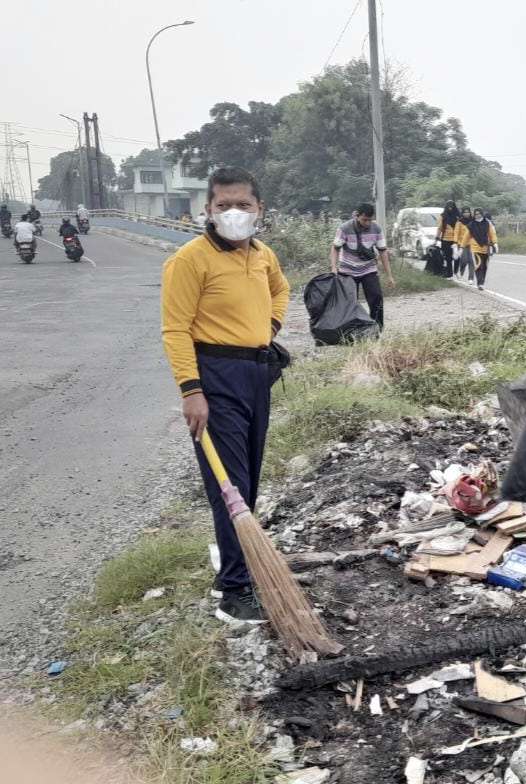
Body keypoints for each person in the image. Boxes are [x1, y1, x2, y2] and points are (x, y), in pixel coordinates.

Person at [160, 166, 290, 624]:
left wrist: (268, 329)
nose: (234, 213)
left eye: (243, 205)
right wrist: (191, 390)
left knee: (248, 479)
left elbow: (280, 291)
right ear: (208, 210)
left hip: (257, 373)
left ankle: (235, 564)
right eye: (224, 206)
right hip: (214, 376)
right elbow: (175, 328)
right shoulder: (190, 260)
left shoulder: (262, 255)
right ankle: (235, 591)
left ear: (259, 210)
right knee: (227, 482)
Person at [330, 203, 395, 330]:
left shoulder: (376, 229)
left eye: (370, 220)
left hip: (368, 269)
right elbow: (335, 248)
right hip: (347, 271)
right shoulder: (344, 228)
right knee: (349, 303)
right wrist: (333, 267)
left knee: (376, 298)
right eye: (364, 219)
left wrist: (389, 276)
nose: (367, 223)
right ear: (356, 216)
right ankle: (349, 331)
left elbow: (383, 251)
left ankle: (377, 330)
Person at [463, 207, 497, 290]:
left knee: (485, 266)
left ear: (482, 214)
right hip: (475, 247)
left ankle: (482, 282)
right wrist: (461, 246)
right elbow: (466, 236)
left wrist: (495, 243)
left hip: (486, 247)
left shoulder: (487, 224)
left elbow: (492, 234)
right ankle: (479, 283)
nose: (477, 216)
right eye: (475, 214)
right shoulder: (471, 225)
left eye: (479, 214)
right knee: (478, 265)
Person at [436, 201, 461, 276]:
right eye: (449, 206)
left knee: (457, 257)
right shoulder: (443, 216)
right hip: (445, 240)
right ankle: (450, 273)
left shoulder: (458, 216)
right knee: (448, 258)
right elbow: (440, 228)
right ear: (446, 207)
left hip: (456, 240)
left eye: (452, 206)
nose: (450, 207)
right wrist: (437, 237)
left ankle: (456, 271)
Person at [455, 204, 475, 280]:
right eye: (465, 212)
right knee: (464, 260)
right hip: (461, 244)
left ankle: (471, 278)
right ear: (462, 213)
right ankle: (461, 272)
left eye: (468, 212)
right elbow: (456, 233)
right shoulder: (459, 222)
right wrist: (455, 242)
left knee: (471, 261)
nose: (466, 213)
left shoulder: (473, 221)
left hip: (471, 244)